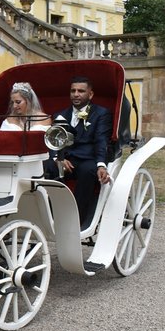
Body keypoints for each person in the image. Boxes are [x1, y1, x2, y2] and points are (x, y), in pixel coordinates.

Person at [44, 75, 112, 229]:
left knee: (89, 171)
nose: (76, 94)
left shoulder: (101, 114)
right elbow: (54, 140)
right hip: (65, 159)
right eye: (73, 90)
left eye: (81, 91)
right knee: (48, 166)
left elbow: (101, 140)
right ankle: (50, 213)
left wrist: (101, 165)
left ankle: (76, 220)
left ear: (90, 94)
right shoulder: (60, 115)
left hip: (87, 159)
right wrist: (57, 158)